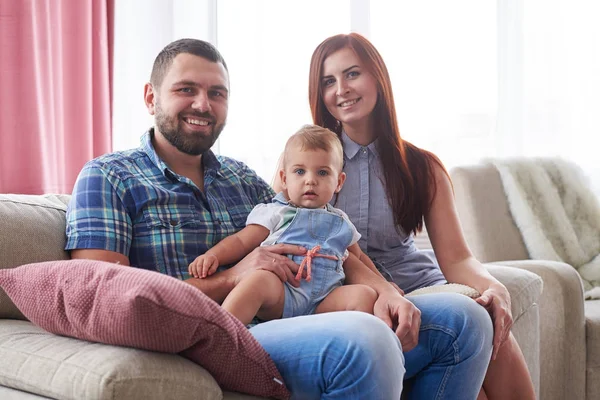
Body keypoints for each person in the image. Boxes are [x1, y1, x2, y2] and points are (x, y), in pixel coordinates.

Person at [65, 38, 493, 399]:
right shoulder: (110, 177)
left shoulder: (245, 179)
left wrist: (387, 291)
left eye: (217, 93)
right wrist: (232, 277)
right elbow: (106, 299)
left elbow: (327, 240)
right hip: (211, 332)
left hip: (290, 317)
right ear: (151, 97)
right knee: (367, 339)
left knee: (465, 322)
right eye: (186, 89)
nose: (203, 104)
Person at [301, 32, 537, 400]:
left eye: (352, 74)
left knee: (487, 317)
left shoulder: (422, 167)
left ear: (378, 77)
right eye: (328, 81)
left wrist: (493, 287)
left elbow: (457, 257)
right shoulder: (311, 165)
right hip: (353, 297)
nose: (341, 89)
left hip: (422, 288)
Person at [189, 125, 378, 325]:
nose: (310, 181)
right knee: (257, 281)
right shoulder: (276, 212)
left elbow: (358, 258)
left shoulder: (341, 222)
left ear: (339, 181)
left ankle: (326, 337)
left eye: (322, 173)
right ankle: (223, 335)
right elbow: (240, 241)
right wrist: (213, 256)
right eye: (299, 171)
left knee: (365, 295)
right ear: (284, 179)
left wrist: (383, 285)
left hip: (325, 300)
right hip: (282, 292)